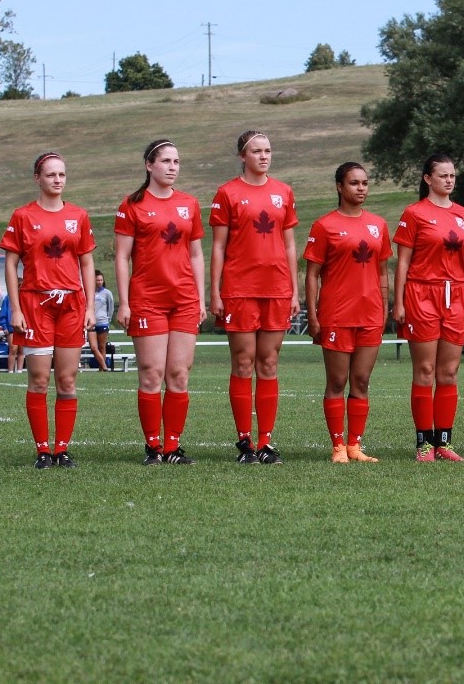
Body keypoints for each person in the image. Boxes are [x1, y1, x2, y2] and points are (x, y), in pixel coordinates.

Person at [0, 152, 97, 468]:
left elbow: (86, 262)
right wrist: (15, 309)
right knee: (39, 379)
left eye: (62, 175)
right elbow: (12, 263)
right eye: (51, 174)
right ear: (37, 178)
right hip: (35, 303)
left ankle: (61, 449)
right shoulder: (23, 216)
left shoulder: (79, 215)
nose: (58, 180)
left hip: (71, 304)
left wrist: (90, 307)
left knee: (67, 381)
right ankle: (43, 450)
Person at [114, 139, 205, 465]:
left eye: (176, 161)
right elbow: (122, 258)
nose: (172, 167)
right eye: (165, 161)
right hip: (147, 299)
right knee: (151, 373)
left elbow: (196, 254)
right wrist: (124, 303)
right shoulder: (132, 205)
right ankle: (153, 447)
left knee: (179, 374)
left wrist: (201, 296)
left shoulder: (189, 204)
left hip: (183, 299)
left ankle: (172, 447)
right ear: (149, 165)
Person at [210, 130, 299, 465]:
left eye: (268, 150)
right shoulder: (228, 193)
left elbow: (290, 244)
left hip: (276, 289)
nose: (264, 156)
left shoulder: (283, 192)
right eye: (257, 151)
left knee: (269, 362)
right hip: (239, 288)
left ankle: (266, 442)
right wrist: (215, 290)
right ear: (242, 156)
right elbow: (218, 246)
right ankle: (245, 441)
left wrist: (292, 289)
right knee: (244, 362)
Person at [304, 162, 391, 464]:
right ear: (340, 187)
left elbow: (382, 272)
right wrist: (313, 315)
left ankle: (355, 446)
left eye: (365, 183)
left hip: (370, 314)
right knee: (337, 382)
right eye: (354, 183)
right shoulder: (324, 225)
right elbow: (312, 274)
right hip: (337, 314)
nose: (361, 188)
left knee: (362, 380)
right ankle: (338, 446)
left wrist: (385, 306)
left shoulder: (378, 225)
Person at [393, 154, 464, 462]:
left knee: (449, 372)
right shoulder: (414, 213)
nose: (449, 180)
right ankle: (423, 443)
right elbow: (402, 261)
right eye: (443, 175)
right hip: (421, 293)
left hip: (454, 296)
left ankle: (444, 442)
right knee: (425, 370)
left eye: (452, 175)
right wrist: (399, 300)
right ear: (428, 179)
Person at [88, 270, 115, 370]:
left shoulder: (107, 293)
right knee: (94, 348)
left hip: (102, 322)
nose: (99, 282)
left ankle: (101, 369)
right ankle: (105, 366)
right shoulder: (90, 292)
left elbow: (111, 308)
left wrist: (108, 319)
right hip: (91, 323)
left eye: (101, 280)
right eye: (97, 280)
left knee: (102, 347)